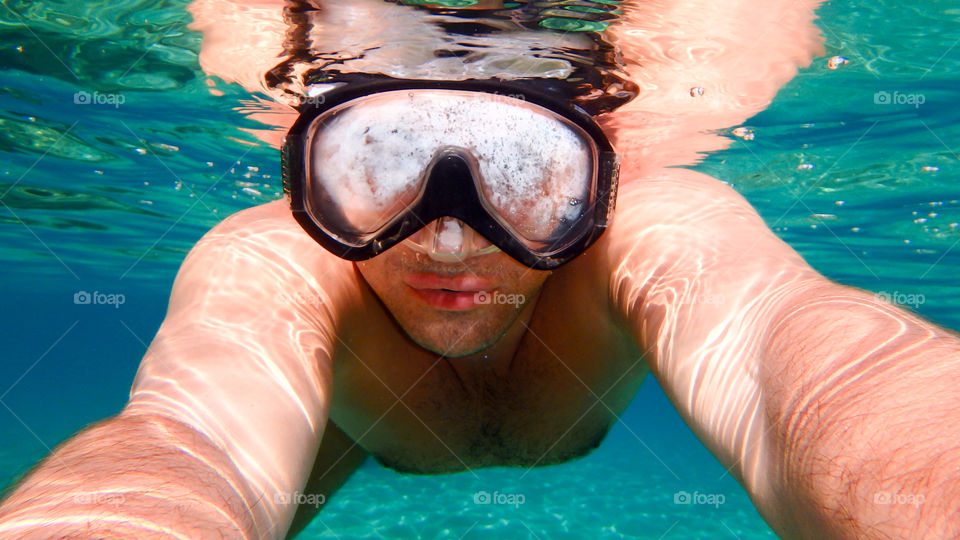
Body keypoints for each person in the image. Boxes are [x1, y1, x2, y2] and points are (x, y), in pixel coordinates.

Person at [2, 1, 959, 539]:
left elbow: (813, 360)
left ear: (595, 187)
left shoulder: (658, 224)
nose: (450, 240)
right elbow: (188, 439)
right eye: (376, 168)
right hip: (339, 432)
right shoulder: (275, 263)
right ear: (308, 180)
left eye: (522, 176)